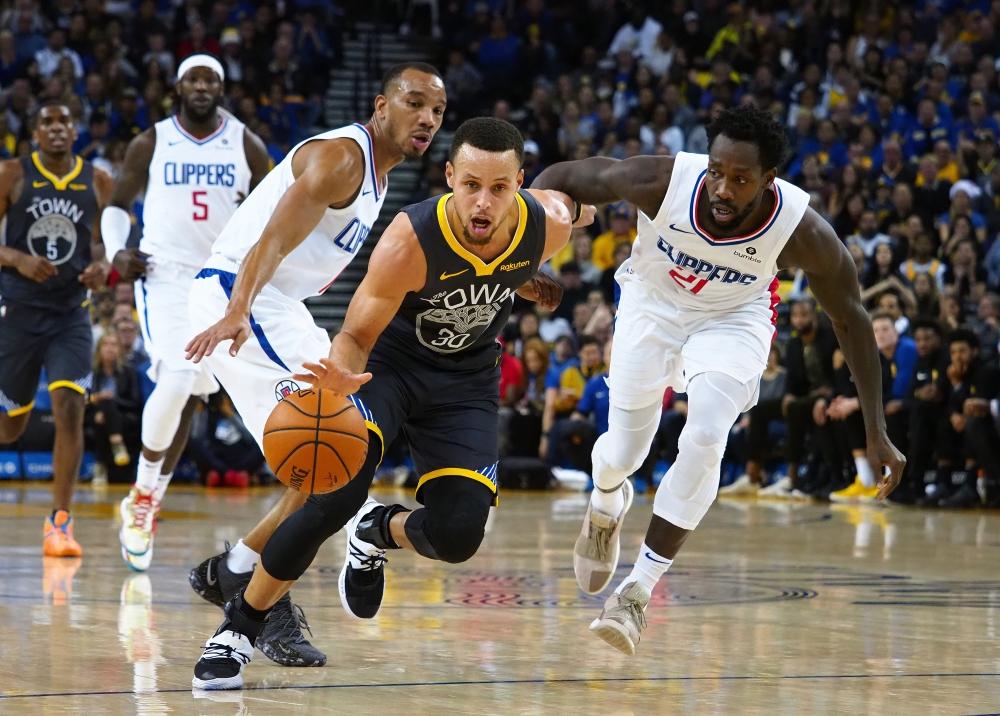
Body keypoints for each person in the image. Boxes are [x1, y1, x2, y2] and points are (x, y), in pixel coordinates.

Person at [186, 117, 591, 690]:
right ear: (449, 176)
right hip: (389, 366)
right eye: (470, 184)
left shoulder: (547, 224)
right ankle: (238, 629)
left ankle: (375, 532)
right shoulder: (410, 239)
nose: (483, 201)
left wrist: (529, 275)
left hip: (467, 382)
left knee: (458, 536)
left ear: (520, 183)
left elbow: (580, 205)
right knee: (332, 489)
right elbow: (353, 335)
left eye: (499, 188)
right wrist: (340, 380)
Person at [531, 104, 906, 655]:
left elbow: (851, 319)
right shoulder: (659, 181)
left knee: (707, 432)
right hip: (652, 305)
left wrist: (875, 428)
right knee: (624, 453)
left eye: (740, 178)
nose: (723, 189)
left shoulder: (801, 229)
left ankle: (638, 591)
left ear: (768, 179)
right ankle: (607, 502)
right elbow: (558, 179)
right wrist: (533, 254)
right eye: (717, 171)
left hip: (734, 318)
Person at [180, 62, 447, 669]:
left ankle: (238, 568)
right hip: (244, 298)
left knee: (337, 456)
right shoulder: (343, 160)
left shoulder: (380, 175)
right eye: (414, 103)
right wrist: (237, 311)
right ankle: (259, 607)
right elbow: (267, 241)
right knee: (325, 451)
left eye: (436, 111)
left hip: (283, 306)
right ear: (382, 106)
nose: (427, 118)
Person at [103, 54, 270, 573]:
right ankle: (144, 499)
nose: (202, 87)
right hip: (166, 277)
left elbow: (278, 211)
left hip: (221, 281)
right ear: (178, 87)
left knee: (191, 395)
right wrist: (115, 252)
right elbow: (117, 203)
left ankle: (146, 498)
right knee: (177, 375)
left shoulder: (247, 144)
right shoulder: (151, 141)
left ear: (222, 88)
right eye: (193, 79)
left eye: (211, 80)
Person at [0, 100, 112, 556]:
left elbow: (105, 244)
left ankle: (60, 523)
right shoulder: (12, 174)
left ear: (76, 129)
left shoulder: (98, 180)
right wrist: (17, 259)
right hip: (20, 312)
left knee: (69, 407)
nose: (57, 128)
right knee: (9, 429)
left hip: (70, 313)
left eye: (65, 120)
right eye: (47, 121)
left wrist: (101, 265)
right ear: (35, 133)